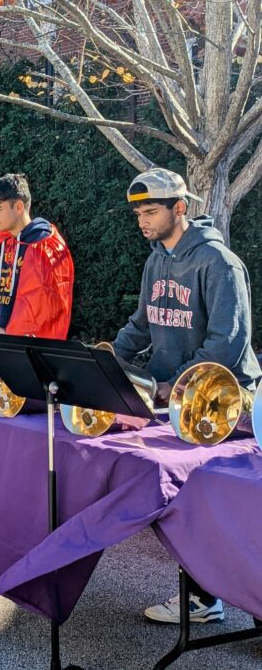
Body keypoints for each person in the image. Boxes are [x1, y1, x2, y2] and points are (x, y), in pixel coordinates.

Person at [107, 168, 261, 625]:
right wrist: (109, 362)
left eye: (150, 210)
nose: (142, 220)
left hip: (224, 402)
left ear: (181, 207)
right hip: (175, 398)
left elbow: (227, 343)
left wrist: (172, 383)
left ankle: (245, 607)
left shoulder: (218, 261)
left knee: (228, 508)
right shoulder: (156, 259)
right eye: (137, 212)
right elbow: (141, 324)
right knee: (189, 502)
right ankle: (203, 599)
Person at [0, 174, 74, 339]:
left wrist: (9, 334)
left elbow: (45, 308)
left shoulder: (45, 246)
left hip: (23, 345)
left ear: (18, 207)